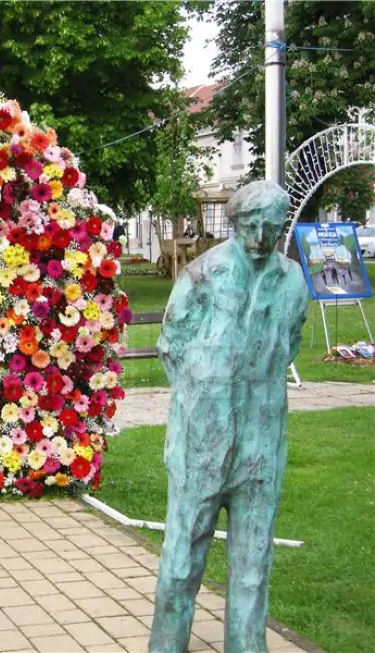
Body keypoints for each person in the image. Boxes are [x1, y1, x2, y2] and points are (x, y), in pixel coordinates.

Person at [148, 181, 309, 653]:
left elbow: (289, 345)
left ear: (282, 224)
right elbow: (171, 346)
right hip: (202, 439)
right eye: (251, 224)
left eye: (271, 225)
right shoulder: (203, 275)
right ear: (235, 224)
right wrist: (207, 397)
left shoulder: (294, 280)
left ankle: (246, 644)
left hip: (263, 440)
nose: (261, 235)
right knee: (182, 557)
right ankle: (167, 644)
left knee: (254, 560)